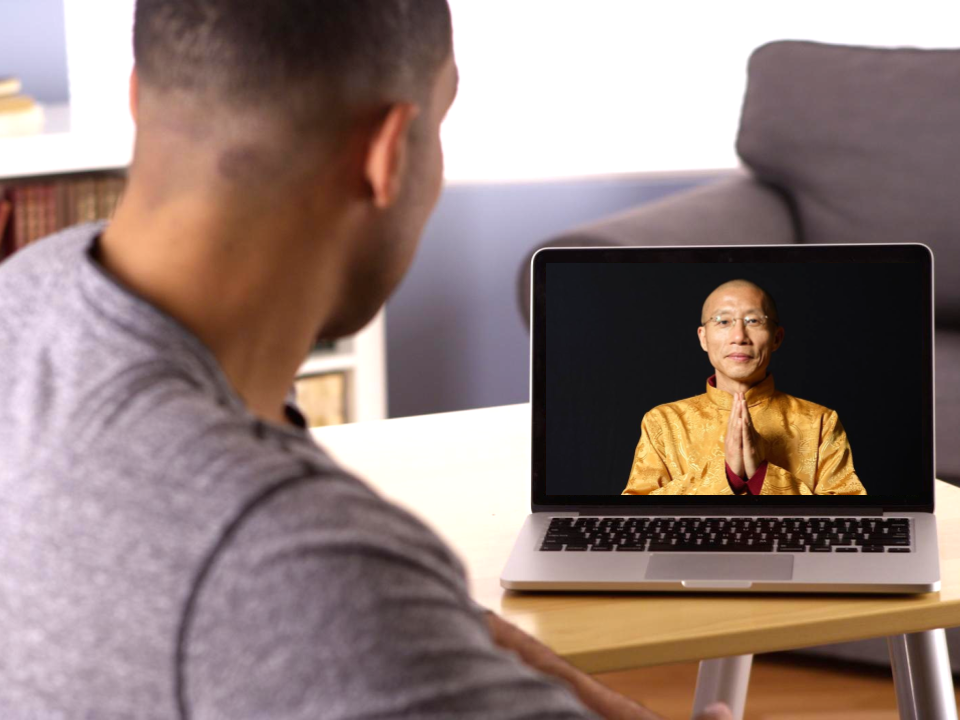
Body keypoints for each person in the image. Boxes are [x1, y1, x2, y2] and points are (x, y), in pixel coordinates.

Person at [0, 1, 731, 718]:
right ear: (389, 155)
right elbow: (342, 604)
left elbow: (403, 623)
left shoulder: (30, 292)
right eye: (441, 125)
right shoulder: (289, 559)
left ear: (137, 99)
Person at [623, 280, 866, 496]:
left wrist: (761, 474)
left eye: (753, 321)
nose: (739, 336)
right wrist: (728, 475)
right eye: (723, 321)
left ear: (776, 338)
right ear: (703, 338)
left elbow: (848, 519)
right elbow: (636, 515)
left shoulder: (821, 422)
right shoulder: (663, 422)